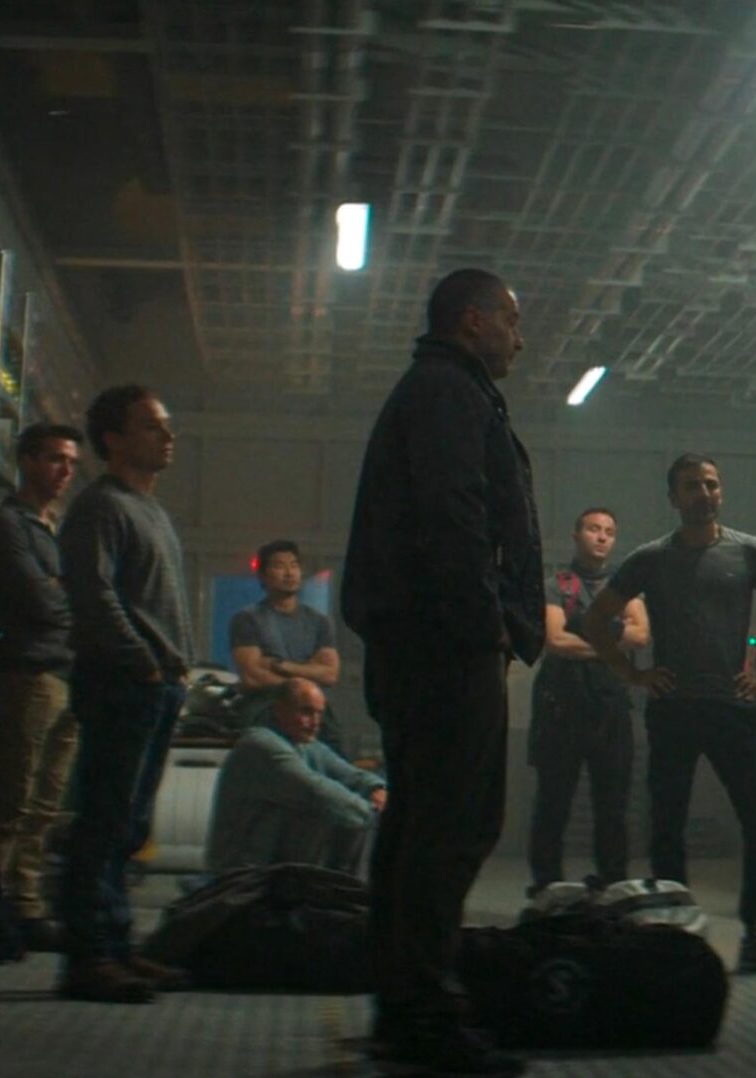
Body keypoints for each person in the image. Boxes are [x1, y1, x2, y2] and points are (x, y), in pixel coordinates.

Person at [341, 268, 544, 1075]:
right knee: (452, 825)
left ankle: (404, 1000)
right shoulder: (447, 395)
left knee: (422, 824)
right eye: (510, 320)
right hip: (444, 645)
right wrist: (485, 625)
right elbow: (454, 516)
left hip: (424, 641)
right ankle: (423, 1009)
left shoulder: (442, 392)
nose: (519, 338)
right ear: (472, 320)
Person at [580, 453, 756, 975]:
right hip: (673, 710)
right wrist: (633, 674)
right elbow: (595, 620)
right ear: (673, 498)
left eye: (711, 484)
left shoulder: (750, 551)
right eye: (692, 486)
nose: (704, 493)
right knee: (667, 823)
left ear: (720, 491)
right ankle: (673, 938)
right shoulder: (651, 558)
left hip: (733, 708)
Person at [57, 385, 194, 1004]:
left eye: (166, 426)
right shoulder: (100, 508)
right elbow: (93, 595)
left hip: (154, 685)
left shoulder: (151, 511)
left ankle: (115, 946)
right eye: (151, 426)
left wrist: (173, 672)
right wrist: (141, 662)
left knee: (128, 824)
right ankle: (87, 958)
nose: (167, 437)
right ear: (113, 440)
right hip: (122, 683)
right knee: (104, 819)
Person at [0, 421, 84, 952]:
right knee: (14, 799)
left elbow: (72, 595)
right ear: (26, 460)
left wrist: (65, 592)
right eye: (54, 459)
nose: (65, 471)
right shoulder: (8, 526)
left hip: (65, 673)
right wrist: (70, 595)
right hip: (29, 674)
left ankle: (26, 902)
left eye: (71, 463)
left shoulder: (54, 528)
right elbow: (39, 600)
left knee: (46, 802)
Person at [528, 507, 648, 892]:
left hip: (610, 710)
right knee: (554, 801)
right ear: (576, 535)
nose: (601, 536)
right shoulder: (556, 586)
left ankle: (612, 882)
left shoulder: (624, 588)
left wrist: (582, 633)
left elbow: (641, 635)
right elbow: (554, 640)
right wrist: (611, 642)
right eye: (594, 529)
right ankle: (547, 884)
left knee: (612, 804)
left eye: (609, 531)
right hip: (561, 707)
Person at [206, 679, 387, 875]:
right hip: (243, 872)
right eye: (306, 712)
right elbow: (316, 791)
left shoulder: (306, 744)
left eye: (319, 713)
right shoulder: (260, 745)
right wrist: (378, 816)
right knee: (337, 814)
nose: (315, 722)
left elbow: (349, 775)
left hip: (276, 867)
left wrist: (376, 789)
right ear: (279, 710)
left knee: (352, 816)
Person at [230, 539, 347, 751]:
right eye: (279, 566)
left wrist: (281, 666)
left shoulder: (319, 621)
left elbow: (330, 674)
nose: (289, 573)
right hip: (265, 706)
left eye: (294, 565)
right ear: (263, 575)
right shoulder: (247, 619)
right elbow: (252, 677)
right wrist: (307, 674)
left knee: (335, 748)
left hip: (312, 706)